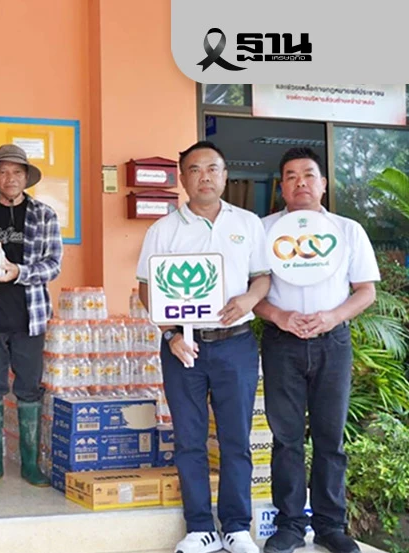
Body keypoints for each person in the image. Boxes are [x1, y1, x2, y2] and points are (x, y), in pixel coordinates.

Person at [135, 141, 270, 553]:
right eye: (195, 170)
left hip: (236, 344)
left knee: (235, 439)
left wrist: (249, 300)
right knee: (190, 439)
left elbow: (262, 277)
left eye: (213, 168)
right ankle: (199, 528)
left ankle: (236, 527)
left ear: (225, 176)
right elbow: (146, 289)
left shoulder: (248, 223)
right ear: (182, 179)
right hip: (183, 346)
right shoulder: (163, 230)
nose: (204, 177)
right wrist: (171, 335)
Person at [254, 148, 378, 553]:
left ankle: (330, 526)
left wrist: (332, 316)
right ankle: (290, 525)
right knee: (286, 438)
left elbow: (366, 291)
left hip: (333, 343)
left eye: (308, 174)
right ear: (282, 187)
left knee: (330, 438)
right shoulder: (263, 231)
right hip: (282, 343)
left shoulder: (348, 230)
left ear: (323, 184)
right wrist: (278, 315)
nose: (300, 182)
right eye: (290, 176)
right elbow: (249, 293)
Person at [0, 144, 62, 487]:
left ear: (26, 177)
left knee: (29, 389)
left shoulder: (44, 215)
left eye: (17, 172)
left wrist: (18, 272)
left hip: (29, 316)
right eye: (3, 172)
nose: (10, 178)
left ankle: (30, 465)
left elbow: (53, 265)